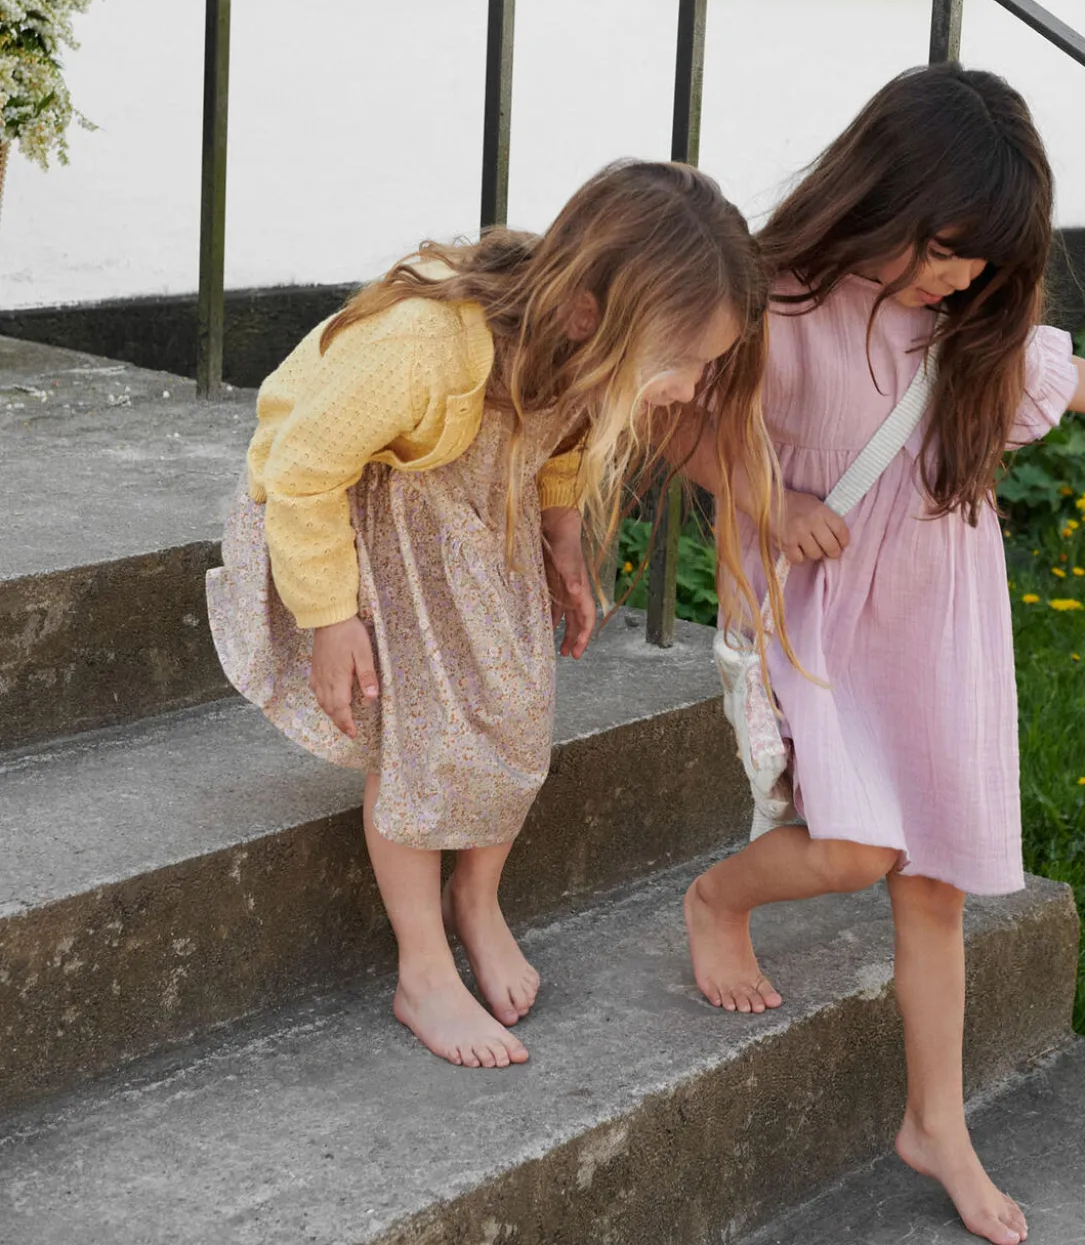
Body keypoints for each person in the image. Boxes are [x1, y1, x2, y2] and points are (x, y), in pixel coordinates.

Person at [678, 65, 1085, 1242]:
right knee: (853, 849)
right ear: (877, 191)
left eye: (979, 262)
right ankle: (714, 896)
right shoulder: (773, 303)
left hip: (940, 620)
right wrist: (770, 502)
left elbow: (1057, 370)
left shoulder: (967, 325)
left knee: (932, 873)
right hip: (827, 612)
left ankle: (933, 1120)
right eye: (941, 250)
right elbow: (680, 420)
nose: (955, 278)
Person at [208, 160, 783, 1071]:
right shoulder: (421, 346)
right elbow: (304, 471)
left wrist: (563, 534)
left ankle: (474, 901)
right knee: (422, 737)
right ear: (593, 315)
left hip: (478, 518)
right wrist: (329, 615)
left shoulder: (572, 338)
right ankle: (422, 970)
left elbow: (561, 431)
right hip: (367, 520)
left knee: (517, 707)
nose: (688, 390)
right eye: (682, 364)